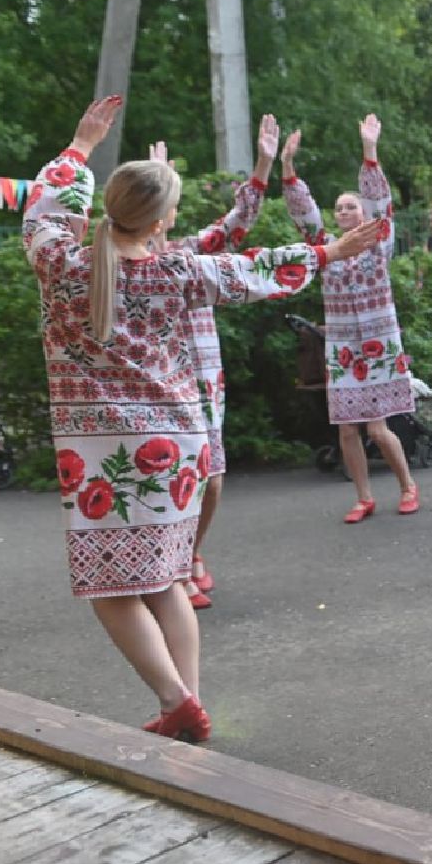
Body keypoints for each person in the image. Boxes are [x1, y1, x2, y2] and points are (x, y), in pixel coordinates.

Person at [25, 97, 379, 742]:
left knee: (112, 586)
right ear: (164, 218)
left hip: (100, 447)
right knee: (167, 577)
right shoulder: (182, 269)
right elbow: (257, 270)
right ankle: (185, 703)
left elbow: (44, 212)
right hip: (177, 439)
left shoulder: (61, 265)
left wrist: (78, 147)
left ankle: (175, 700)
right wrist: (329, 252)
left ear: (109, 206)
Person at [151, 121, 274, 609]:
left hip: (204, 384)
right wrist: (156, 178)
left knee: (212, 481)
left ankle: (191, 553)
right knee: (168, 480)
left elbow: (236, 226)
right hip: (158, 389)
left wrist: (263, 164)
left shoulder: (190, 254)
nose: (163, 219)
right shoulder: (121, 263)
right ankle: (175, 570)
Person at [283, 116, 423, 523]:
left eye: (350, 206)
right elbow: (303, 214)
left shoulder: (378, 243)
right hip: (343, 347)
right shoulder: (325, 248)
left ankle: (408, 486)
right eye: (339, 207)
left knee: (378, 428)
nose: (343, 211)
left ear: (362, 213)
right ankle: (363, 497)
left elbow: (380, 202)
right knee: (347, 429)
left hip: (378, 343)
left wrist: (369, 150)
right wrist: (288, 168)